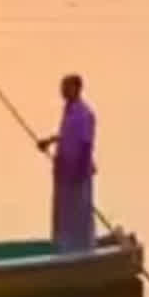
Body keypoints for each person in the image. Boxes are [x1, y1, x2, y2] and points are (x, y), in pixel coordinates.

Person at [42, 70, 97, 249]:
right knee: (63, 214)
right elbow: (67, 136)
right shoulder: (68, 111)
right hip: (64, 171)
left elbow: (86, 144)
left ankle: (82, 249)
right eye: (62, 87)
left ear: (77, 89)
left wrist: (79, 172)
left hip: (77, 173)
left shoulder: (84, 113)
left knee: (79, 213)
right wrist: (50, 141)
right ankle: (64, 247)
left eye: (66, 87)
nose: (63, 91)